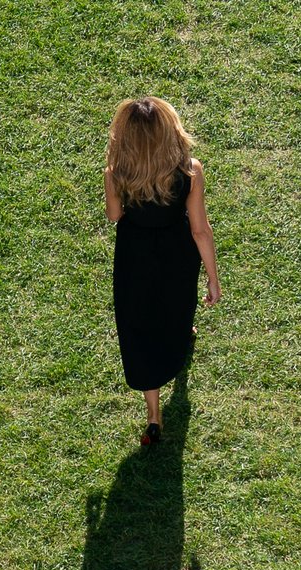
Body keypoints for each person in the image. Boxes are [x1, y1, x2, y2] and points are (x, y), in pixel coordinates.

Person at [103, 97, 221, 445]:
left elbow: (113, 216)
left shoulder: (116, 172)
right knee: (176, 308)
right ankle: (182, 336)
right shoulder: (190, 170)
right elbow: (200, 229)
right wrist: (213, 278)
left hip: (134, 256)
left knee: (139, 326)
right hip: (177, 254)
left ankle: (153, 416)